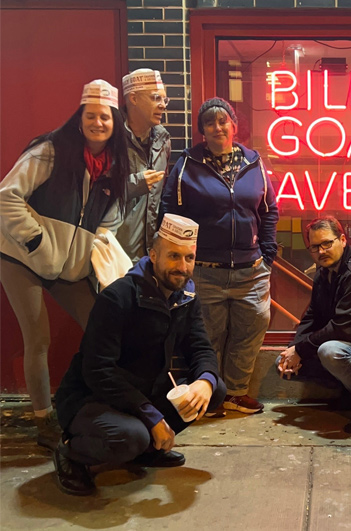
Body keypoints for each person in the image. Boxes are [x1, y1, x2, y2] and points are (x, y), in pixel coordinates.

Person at [53, 214, 226, 496]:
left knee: (215, 389)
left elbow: (201, 347)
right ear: (153, 255)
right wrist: (152, 418)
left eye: (189, 258)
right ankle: (70, 452)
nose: (182, 267)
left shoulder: (185, 296)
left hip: (140, 394)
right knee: (131, 436)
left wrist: (204, 382)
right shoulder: (119, 297)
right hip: (91, 398)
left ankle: (146, 449)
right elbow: (97, 372)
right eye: (174, 256)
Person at [0, 80, 129, 450]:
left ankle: (87, 404)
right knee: (37, 337)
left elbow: (114, 215)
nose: (98, 122)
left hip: (68, 263)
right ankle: (44, 419)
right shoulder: (50, 151)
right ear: (80, 118)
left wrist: (97, 242)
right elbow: (7, 196)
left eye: (105, 116)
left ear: (114, 121)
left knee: (98, 328)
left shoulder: (116, 164)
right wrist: (35, 238)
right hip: (21, 256)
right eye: (91, 115)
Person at [160, 97, 278, 415]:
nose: (217, 127)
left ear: (234, 125)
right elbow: (169, 212)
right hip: (204, 271)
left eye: (223, 120)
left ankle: (235, 393)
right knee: (206, 337)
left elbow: (269, 211)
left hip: (250, 270)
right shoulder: (187, 165)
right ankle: (211, 398)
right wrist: (179, 260)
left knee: (249, 333)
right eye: (209, 123)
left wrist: (267, 255)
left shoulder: (254, 163)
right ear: (202, 131)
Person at [277, 217, 351, 434]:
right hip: (350, 348)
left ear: (343, 240)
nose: (321, 251)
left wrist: (301, 350)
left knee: (330, 352)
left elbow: (343, 328)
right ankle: (350, 393)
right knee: (282, 364)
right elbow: (312, 315)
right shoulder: (324, 270)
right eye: (315, 247)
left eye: (327, 243)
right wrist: (294, 348)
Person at [116, 69, 171, 263]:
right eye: (156, 98)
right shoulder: (111, 137)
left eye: (165, 100)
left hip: (148, 255)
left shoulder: (163, 139)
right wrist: (133, 185)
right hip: (113, 252)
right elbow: (92, 192)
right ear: (133, 98)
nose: (163, 105)